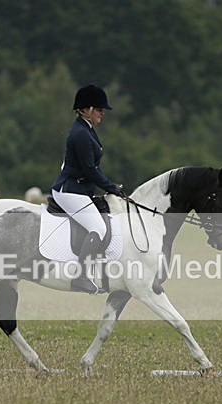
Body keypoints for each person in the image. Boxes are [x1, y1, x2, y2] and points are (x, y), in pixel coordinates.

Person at [51, 84, 124, 294]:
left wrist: (110, 186)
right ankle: (81, 277)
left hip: (80, 189)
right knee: (98, 228)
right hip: (70, 191)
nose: (102, 113)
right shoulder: (80, 134)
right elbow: (90, 170)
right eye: (99, 109)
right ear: (86, 109)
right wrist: (111, 187)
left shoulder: (87, 130)